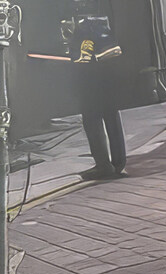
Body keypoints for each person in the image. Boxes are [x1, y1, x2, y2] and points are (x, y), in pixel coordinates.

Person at [68, 0, 126, 181]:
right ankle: (118, 162)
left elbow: (80, 57)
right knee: (111, 115)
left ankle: (103, 165)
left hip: (90, 78)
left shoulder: (83, 25)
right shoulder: (104, 18)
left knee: (92, 119)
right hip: (108, 75)